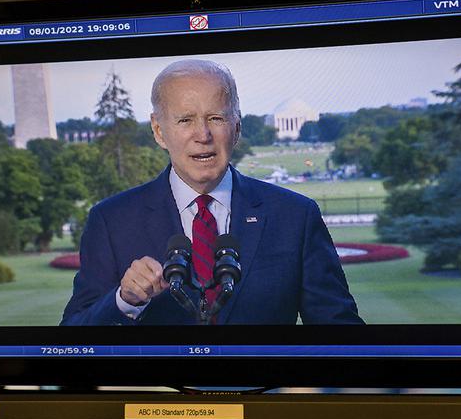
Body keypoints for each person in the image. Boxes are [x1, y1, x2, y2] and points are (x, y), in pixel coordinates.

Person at [60, 59, 362, 326]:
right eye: (185, 120)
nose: (202, 136)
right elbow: (71, 342)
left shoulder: (295, 216)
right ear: (159, 130)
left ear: (237, 127)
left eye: (215, 118)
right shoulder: (111, 220)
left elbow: (341, 334)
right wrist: (125, 300)